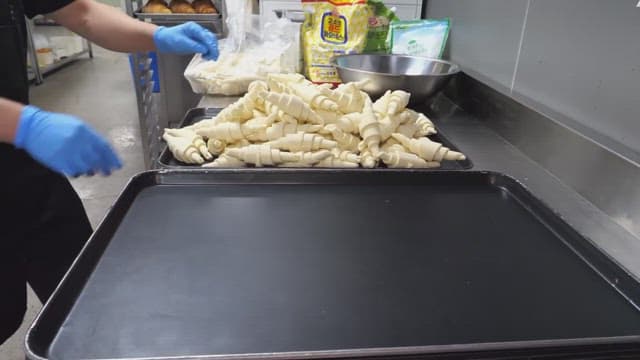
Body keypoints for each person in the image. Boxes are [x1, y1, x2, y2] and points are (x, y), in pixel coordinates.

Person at [0, 0, 218, 344]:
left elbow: (81, 13)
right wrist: (21, 124)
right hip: (18, 133)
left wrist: (157, 34)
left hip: (20, 165)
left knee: (82, 291)